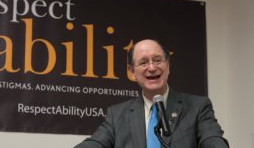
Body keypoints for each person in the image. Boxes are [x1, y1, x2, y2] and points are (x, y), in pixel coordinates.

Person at [74, 39, 229, 148]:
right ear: (132, 72)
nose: (152, 67)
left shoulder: (198, 107)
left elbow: (213, 140)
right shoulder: (117, 115)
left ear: (168, 65)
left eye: (157, 60)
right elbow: (95, 143)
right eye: (143, 62)